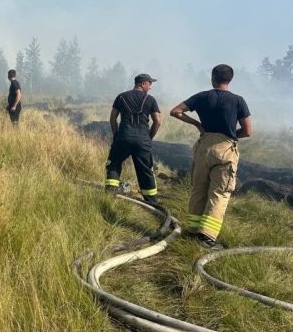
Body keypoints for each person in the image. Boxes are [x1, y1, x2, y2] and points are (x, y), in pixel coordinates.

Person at [170, 64, 252, 250]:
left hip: (204, 147)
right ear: (229, 80)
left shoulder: (202, 96)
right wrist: (230, 136)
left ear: (213, 78)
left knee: (199, 188)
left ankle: (192, 230)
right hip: (225, 150)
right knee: (219, 192)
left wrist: (198, 124)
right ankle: (207, 238)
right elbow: (247, 131)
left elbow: (175, 111)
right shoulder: (238, 100)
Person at [105, 73, 162, 204]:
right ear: (143, 84)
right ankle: (152, 202)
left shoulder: (121, 97)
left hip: (123, 137)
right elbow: (157, 121)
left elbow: (113, 117)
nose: (150, 87)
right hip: (143, 139)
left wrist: (116, 135)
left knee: (114, 163)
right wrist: (149, 137)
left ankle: (109, 195)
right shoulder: (150, 99)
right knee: (145, 170)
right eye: (149, 83)